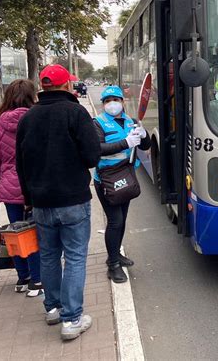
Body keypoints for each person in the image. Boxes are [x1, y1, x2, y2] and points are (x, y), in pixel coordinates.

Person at [16, 64, 101, 341]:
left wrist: (29, 200)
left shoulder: (28, 118)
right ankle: (72, 319)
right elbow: (91, 157)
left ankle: (52, 308)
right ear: (66, 86)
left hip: (40, 202)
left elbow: (21, 164)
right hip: (73, 199)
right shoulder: (76, 112)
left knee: (50, 256)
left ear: (43, 86)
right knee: (75, 257)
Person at [0, 79, 42, 296]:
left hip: (9, 186)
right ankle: (37, 281)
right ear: (31, 97)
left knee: (16, 233)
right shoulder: (36, 119)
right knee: (36, 233)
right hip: (34, 184)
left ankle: (23, 277)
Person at [93, 86, 150, 283]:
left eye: (115, 99)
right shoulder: (98, 123)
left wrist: (143, 135)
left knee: (123, 219)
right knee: (115, 221)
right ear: (103, 104)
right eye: (107, 101)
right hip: (107, 179)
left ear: (122, 101)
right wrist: (126, 142)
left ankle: (116, 254)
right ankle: (113, 265)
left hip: (125, 175)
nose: (112, 104)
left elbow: (145, 146)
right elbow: (98, 149)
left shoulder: (131, 121)